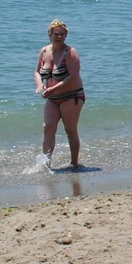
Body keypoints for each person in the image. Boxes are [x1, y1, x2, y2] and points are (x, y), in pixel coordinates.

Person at [35, 19, 85, 169]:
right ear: (49, 35)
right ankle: (46, 164)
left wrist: (53, 88)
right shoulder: (44, 51)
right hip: (52, 98)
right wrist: (40, 84)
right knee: (47, 127)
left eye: (62, 34)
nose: (59, 37)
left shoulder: (70, 52)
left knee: (70, 129)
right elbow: (37, 72)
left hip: (72, 96)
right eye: (56, 34)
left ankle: (74, 163)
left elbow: (73, 76)